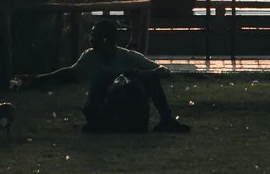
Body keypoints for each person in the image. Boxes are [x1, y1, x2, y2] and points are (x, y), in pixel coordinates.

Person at [19, 16, 182, 134]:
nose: (90, 39)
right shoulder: (90, 57)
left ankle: (166, 119)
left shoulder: (128, 57)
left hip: (130, 105)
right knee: (100, 85)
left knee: (151, 79)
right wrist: (37, 79)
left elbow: (163, 71)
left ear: (104, 40)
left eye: (94, 36)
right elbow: (69, 73)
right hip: (107, 105)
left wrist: (139, 75)